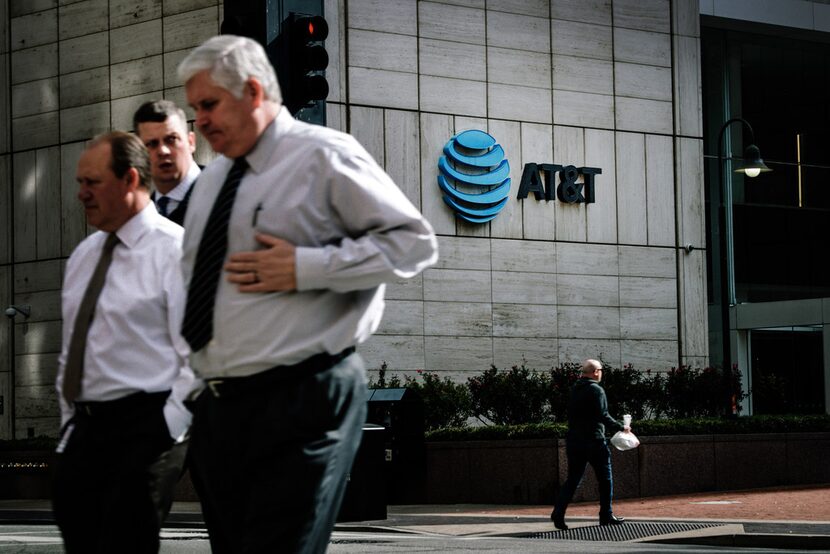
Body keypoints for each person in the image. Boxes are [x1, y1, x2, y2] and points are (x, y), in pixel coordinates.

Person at [176, 35, 439, 553]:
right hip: (219, 408)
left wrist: (305, 266)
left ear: (253, 91)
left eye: (208, 105)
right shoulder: (213, 179)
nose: (199, 121)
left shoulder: (324, 154)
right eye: (194, 108)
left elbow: (413, 244)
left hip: (300, 398)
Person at [53, 131, 196, 553]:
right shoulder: (83, 256)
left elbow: (200, 353)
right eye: (80, 182)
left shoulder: (176, 250)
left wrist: (165, 430)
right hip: (83, 431)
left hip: (145, 428)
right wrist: (68, 425)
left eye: (91, 182)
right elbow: (73, 347)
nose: (81, 194)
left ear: (130, 179)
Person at [551, 359, 630, 530]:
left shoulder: (575, 390)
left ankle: (558, 512)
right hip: (594, 441)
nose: (601, 373)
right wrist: (621, 427)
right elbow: (603, 415)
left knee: (573, 479)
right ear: (595, 372)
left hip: (574, 441)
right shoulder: (596, 390)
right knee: (605, 479)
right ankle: (606, 515)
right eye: (601, 370)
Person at [133, 99, 200, 225]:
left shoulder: (225, 193)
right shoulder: (139, 219)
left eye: (171, 139)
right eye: (152, 144)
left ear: (191, 142)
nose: (163, 151)